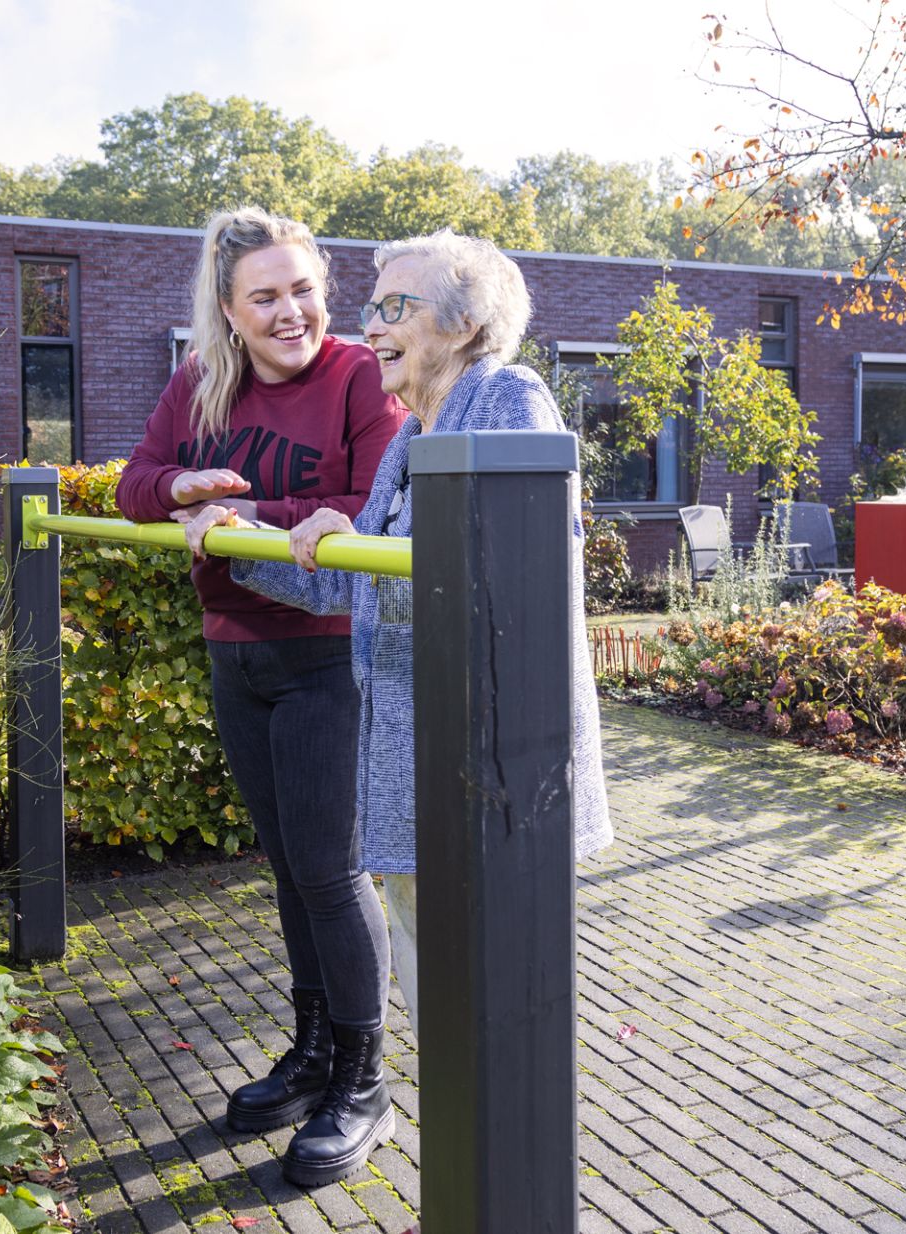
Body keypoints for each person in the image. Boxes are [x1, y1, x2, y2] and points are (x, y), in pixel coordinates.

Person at [183, 230, 614, 1196]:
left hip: (487, 767)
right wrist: (250, 541)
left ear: (464, 323)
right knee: (439, 989)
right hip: (425, 765)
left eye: (393, 307)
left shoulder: (505, 398)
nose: (367, 325)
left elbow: (491, 574)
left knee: (485, 1004)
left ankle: (498, 1189)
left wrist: (345, 538)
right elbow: (357, 589)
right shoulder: (415, 432)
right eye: (371, 304)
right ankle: (473, 1179)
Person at [113, 207, 407, 1173]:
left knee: (331, 870)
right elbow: (136, 481)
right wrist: (188, 493)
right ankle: (316, 1053)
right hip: (236, 650)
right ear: (230, 311)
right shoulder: (202, 381)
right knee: (287, 868)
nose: (292, 313)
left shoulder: (360, 375)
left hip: (327, 652)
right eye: (266, 297)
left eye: (305, 290)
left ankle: (365, 1086)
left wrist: (247, 509)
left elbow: (372, 503)